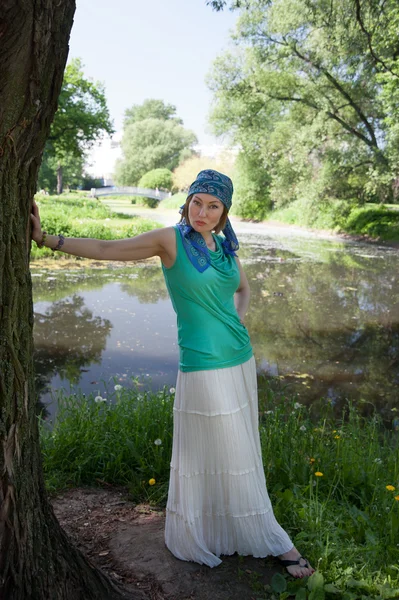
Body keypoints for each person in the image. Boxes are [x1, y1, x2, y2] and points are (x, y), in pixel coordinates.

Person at [31, 169, 315, 578]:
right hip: (202, 363)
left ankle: (231, 527)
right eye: (197, 202)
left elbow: (244, 289)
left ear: (224, 212)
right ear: (187, 202)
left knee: (240, 452)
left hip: (239, 358)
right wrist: (46, 240)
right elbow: (107, 247)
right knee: (217, 450)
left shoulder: (225, 247)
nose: (202, 212)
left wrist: (238, 322)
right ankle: (272, 539)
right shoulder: (170, 241)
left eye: (213, 206)